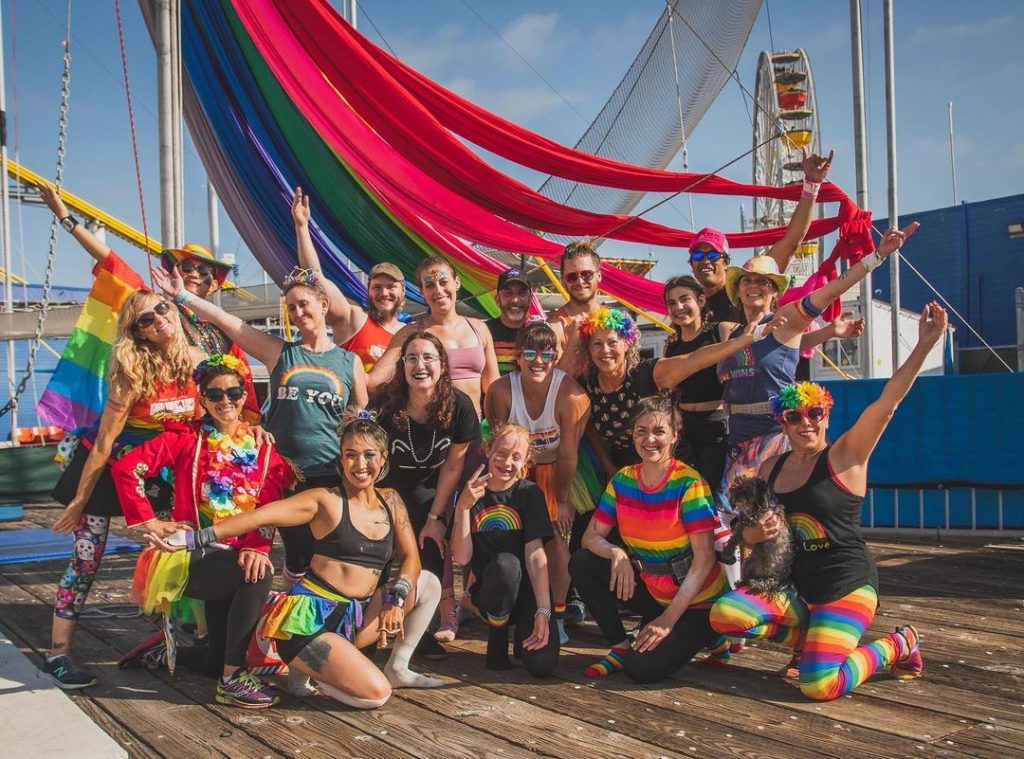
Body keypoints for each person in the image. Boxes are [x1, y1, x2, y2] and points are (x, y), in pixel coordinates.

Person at [709, 303, 945, 701]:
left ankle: (898, 643)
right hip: (799, 590)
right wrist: (749, 531)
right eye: (794, 416)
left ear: (826, 416)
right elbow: (751, 536)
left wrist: (925, 345)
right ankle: (812, 640)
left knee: (820, 685)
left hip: (846, 585)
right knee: (725, 615)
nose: (806, 423)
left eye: (814, 413)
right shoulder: (770, 468)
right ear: (781, 422)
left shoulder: (846, 456)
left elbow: (886, 405)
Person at [146, 412, 444, 708]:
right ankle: (307, 666)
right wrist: (193, 539)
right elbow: (259, 516)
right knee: (376, 695)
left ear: (383, 457)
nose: (360, 464)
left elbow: (411, 560)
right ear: (340, 459)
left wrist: (396, 597)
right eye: (351, 455)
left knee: (428, 583)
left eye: (369, 455)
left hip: (358, 616)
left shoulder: (390, 500)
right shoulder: (323, 500)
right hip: (310, 624)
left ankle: (396, 667)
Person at [152, 263, 368, 586]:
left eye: (303, 304)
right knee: (296, 552)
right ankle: (290, 619)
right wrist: (182, 295)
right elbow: (229, 322)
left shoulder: (349, 362)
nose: (297, 313)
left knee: (330, 552)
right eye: (291, 308)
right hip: (285, 473)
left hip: (330, 473)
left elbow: (361, 422)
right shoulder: (280, 353)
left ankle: (321, 620)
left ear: (323, 306)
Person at [110, 355, 294, 708]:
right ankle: (232, 680)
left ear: (245, 395)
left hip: (237, 558)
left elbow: (268, 511)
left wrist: (257, 547)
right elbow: (126, 468)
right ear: (203, 400)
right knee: (256, 576)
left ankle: (173, 652)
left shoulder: (265, 448)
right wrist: (149, 521)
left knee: (212, 660)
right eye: (215, 395)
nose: (226, 401)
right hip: (191, 556)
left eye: (234, 391)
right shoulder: (186, 440)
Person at [42, 290, 198, 689]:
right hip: (105, 467)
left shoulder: (197, 363)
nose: (158, 319)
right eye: (145, 319)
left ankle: (174, 639)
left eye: (161, 308)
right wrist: (79, 500)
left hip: (154, 468)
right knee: (85, 559)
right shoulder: (132, 372)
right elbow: (105, 441)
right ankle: (58, 654)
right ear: (138, 334)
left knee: (174, 552)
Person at [714, 226, 909, 499]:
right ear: (738, 288)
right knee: (737, 519)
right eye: (747, 280)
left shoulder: (784, 321)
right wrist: (828, 332)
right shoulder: (732, 333)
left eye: (763, 282)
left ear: (774, 292)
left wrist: (877, 256)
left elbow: (830, 292)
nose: (753, 286)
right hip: (737, 441)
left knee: (771, 515)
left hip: (775, 437)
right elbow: (774, 353)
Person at [37, 184, 261, 422]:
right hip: (162, 422)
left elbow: (242, 381)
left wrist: (248, 426)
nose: (194, 273)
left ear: (214, 284)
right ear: (174, 274)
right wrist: (66, 218)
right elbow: (113, 263)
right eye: (186, 267)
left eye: (204, 270)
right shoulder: (158, 311)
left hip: (211, 424)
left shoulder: (223, 329)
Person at [569, 395, 727, 682]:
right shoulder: (623, 480)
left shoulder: (689, 484)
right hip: (653, 593)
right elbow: (590, 537)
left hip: (697, 601)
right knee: (583, 562)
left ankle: (712, 636)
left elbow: (703, 561)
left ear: (675, 436)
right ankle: (620, 644)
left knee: (641, 670)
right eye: (641, 431)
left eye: (659, 431)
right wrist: (616, 553)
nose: (649, 439)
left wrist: (668, 621)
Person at [371, 332, 481, 656]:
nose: (421, 365)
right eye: (412, 358)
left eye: (428, 357)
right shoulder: (384, 404)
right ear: (402, 365)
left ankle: (417, 633)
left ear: (442, 364)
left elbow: (451, 468)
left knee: (429, 545)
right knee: (377, 554)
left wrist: (435, 518)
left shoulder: (459, 406)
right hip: (383, 486)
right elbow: (367, 455)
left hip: (429, 487)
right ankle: (367, 627)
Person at [484, 323, 590, 642]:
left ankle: (556, 613)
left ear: (556, 356)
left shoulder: (570, 394)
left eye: (546, 353)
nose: (538, 360)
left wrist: (561, 499)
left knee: (556, 537)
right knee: (500, 531)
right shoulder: (501, 391)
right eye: (529, 353)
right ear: (518, 357)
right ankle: (500, 604)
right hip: (515, 467)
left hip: (557, 467)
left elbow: (569, 453)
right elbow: (497, 441)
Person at [450, 424, 560, 675]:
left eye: (516, 457)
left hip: (527, 591)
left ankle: (523, 628)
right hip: (492, 589)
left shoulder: (529, 493)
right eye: (501, 453)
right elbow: (462, 556)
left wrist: (543, 610)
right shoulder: (471, 494)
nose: (507, 462)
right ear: (488, 450)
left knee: (542, 666)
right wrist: (463, 509)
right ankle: (497, 634)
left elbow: (535, 555)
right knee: (505, 565)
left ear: (525, 462)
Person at [688, 149, 834, 324]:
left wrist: (812, 185)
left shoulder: (748, 286)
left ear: (726, 262)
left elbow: (791, 242)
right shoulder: (689, 304)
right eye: (697, 256)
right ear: (691, 264)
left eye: (712, 255)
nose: (705, 261)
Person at [292, 187, 405, 370]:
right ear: (368, 290)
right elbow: (315, 276)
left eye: (391, 286)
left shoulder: (413, 333)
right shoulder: (354, 319)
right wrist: (302, 227)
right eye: (377, 287)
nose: (384, 293)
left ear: (402, 291)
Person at [368, 255, 498, 414]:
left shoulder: (479, 328)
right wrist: (346, 364)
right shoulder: (411, 333)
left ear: (456, 283)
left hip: (472, 432)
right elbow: (373, 382)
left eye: (443, 282)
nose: (438, 290)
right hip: (431, 432)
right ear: (422, 292)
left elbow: (492, 386)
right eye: (429, 285)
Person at [549, 239, 602, 376]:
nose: (580, 281)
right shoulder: (555, 326)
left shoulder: (614, 319)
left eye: (586, 274)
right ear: (563, 280)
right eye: (572, 277)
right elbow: (554, 383)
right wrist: (574, 340)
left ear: (599, 275)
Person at [485, 267, 535, 376]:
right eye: (508, 293)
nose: (515, 300)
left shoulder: (539, 333)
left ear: (530, 299)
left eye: (521, 293)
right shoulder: (484, 332)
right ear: (498, 299)